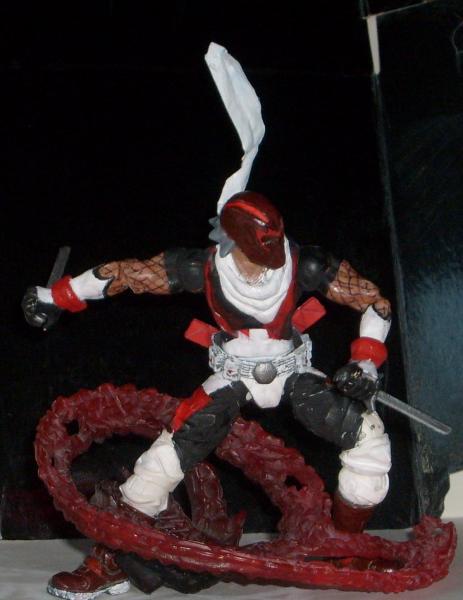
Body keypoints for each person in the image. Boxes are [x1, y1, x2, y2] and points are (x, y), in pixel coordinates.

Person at [23, 190, 392, 599]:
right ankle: (110, 559)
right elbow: (125, 275)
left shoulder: (305, 262)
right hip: (233, 374)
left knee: (370, 439)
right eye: (256, 256)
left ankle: (346, 549)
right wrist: (56, 297)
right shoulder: (202, 267)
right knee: (164, 458)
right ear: (231, 243)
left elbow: (374, 302)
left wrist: (365, 362)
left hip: (294, 370)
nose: (266, 268)